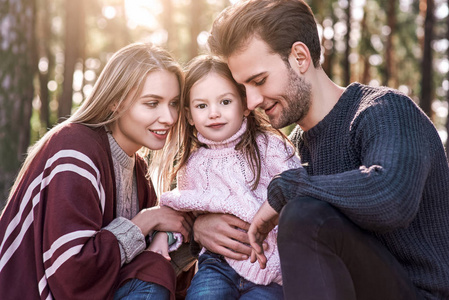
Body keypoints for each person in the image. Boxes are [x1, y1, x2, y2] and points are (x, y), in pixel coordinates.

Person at [196, 0, 449, 299]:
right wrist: (201, 227)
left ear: (300, 57)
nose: (250, 102)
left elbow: (391, 198)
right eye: (243, 89)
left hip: (420, 293)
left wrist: (288, 190)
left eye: (259, 81)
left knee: (304, 215)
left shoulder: (385, 111)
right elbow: (248, 203)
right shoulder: (297, 148)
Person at [0, 43, 194, 300]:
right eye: (152, 103)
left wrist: (172, 235)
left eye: (174, 104)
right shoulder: (74, 147)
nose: (169, 117)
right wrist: (147, 221)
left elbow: (142, 272)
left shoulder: (139, 172)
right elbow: (71, 276)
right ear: (115, 101)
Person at [148, 55, 302, 299]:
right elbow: (182, 210)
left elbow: (298, 191)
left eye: (225, 101)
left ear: (244, 104)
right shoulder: (193, 164)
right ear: (188, 116)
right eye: (202, 106)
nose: (214, 113)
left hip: (268, 265)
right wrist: (162, 237)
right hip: (216, 265)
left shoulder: (270, 147)